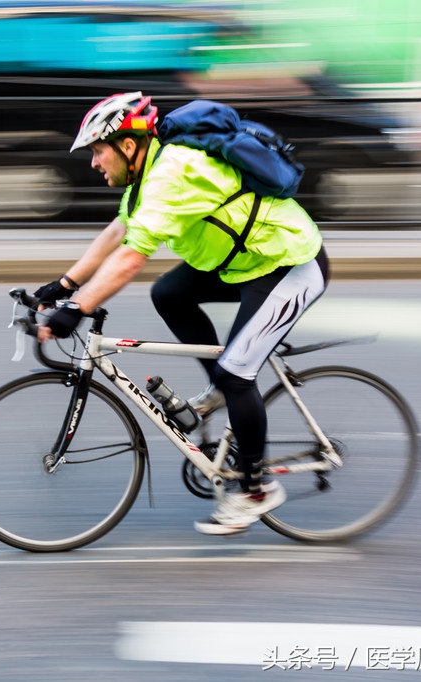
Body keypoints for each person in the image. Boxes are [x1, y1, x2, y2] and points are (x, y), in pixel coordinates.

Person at [35, 91, 330, 536]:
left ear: (127, 146)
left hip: (289, 263)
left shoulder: (172, 172)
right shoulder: (146, 177)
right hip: (245, 263)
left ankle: (256, 490)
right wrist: (65, 286)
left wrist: (77, 309)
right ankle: (220, 388)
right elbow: (118, 231)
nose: (94, 162)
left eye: (98, 151)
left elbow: (132, 258)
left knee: (237, 373)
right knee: (169, 293)